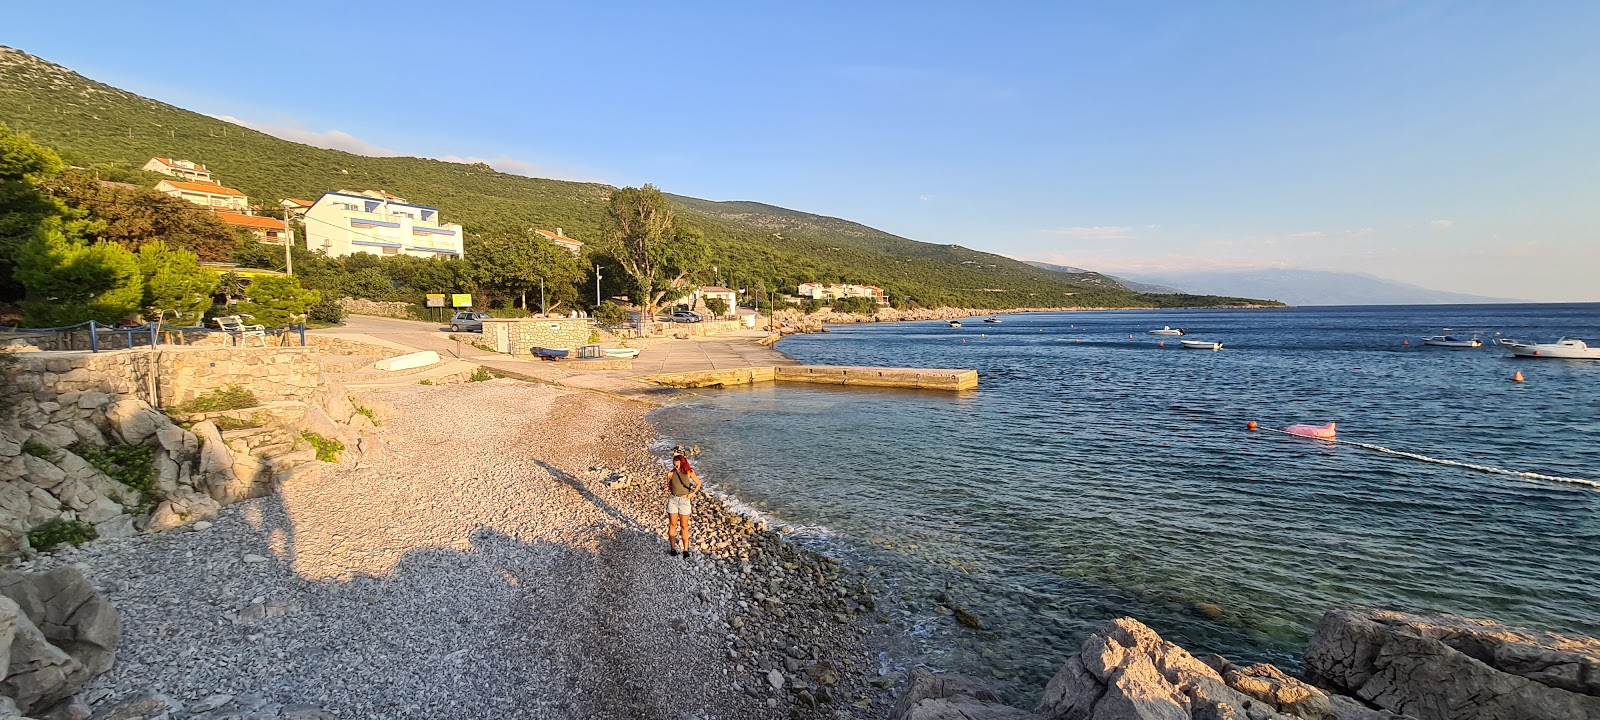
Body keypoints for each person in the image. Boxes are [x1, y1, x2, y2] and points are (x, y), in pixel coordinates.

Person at [665, 450, 701, 558]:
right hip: (673, 500)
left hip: (685, 501)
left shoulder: (689, 472)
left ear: (682, 463)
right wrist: (667, 489)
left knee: (684, 526)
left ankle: (685, 550)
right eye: (674, 465)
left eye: (677, 465)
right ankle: (673, 548)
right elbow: (669, 487)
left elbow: (698, 483)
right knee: (672, 525)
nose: (675, 467)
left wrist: (692, 494)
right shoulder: (670, 474)